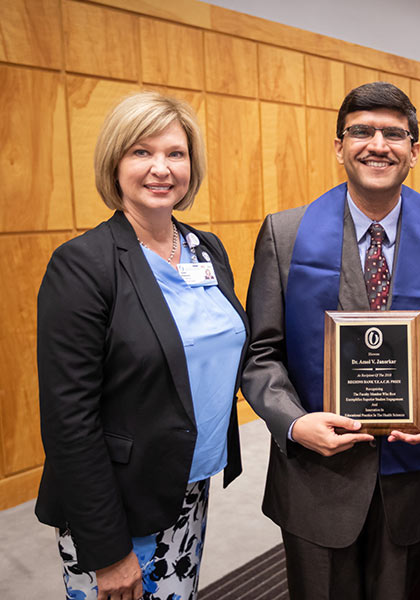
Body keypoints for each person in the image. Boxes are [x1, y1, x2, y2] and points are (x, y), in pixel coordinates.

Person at [242, 81, 420, 599]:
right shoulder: (285, 234)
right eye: (361, 131)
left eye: (394, 133)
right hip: (316, 477)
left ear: (414, 151)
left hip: (412, 476)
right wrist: (294, 421)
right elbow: (261, 355)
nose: (378, 144)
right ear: (338, 146)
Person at [36, 91, 249, 600]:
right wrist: (108, 551)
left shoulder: (206, 247)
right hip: (116, 504)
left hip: (186, 484)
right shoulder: (83, 265)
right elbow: (69, 421)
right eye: (141, 152)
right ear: (115, 164)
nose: (161, 168)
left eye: (175, 153)